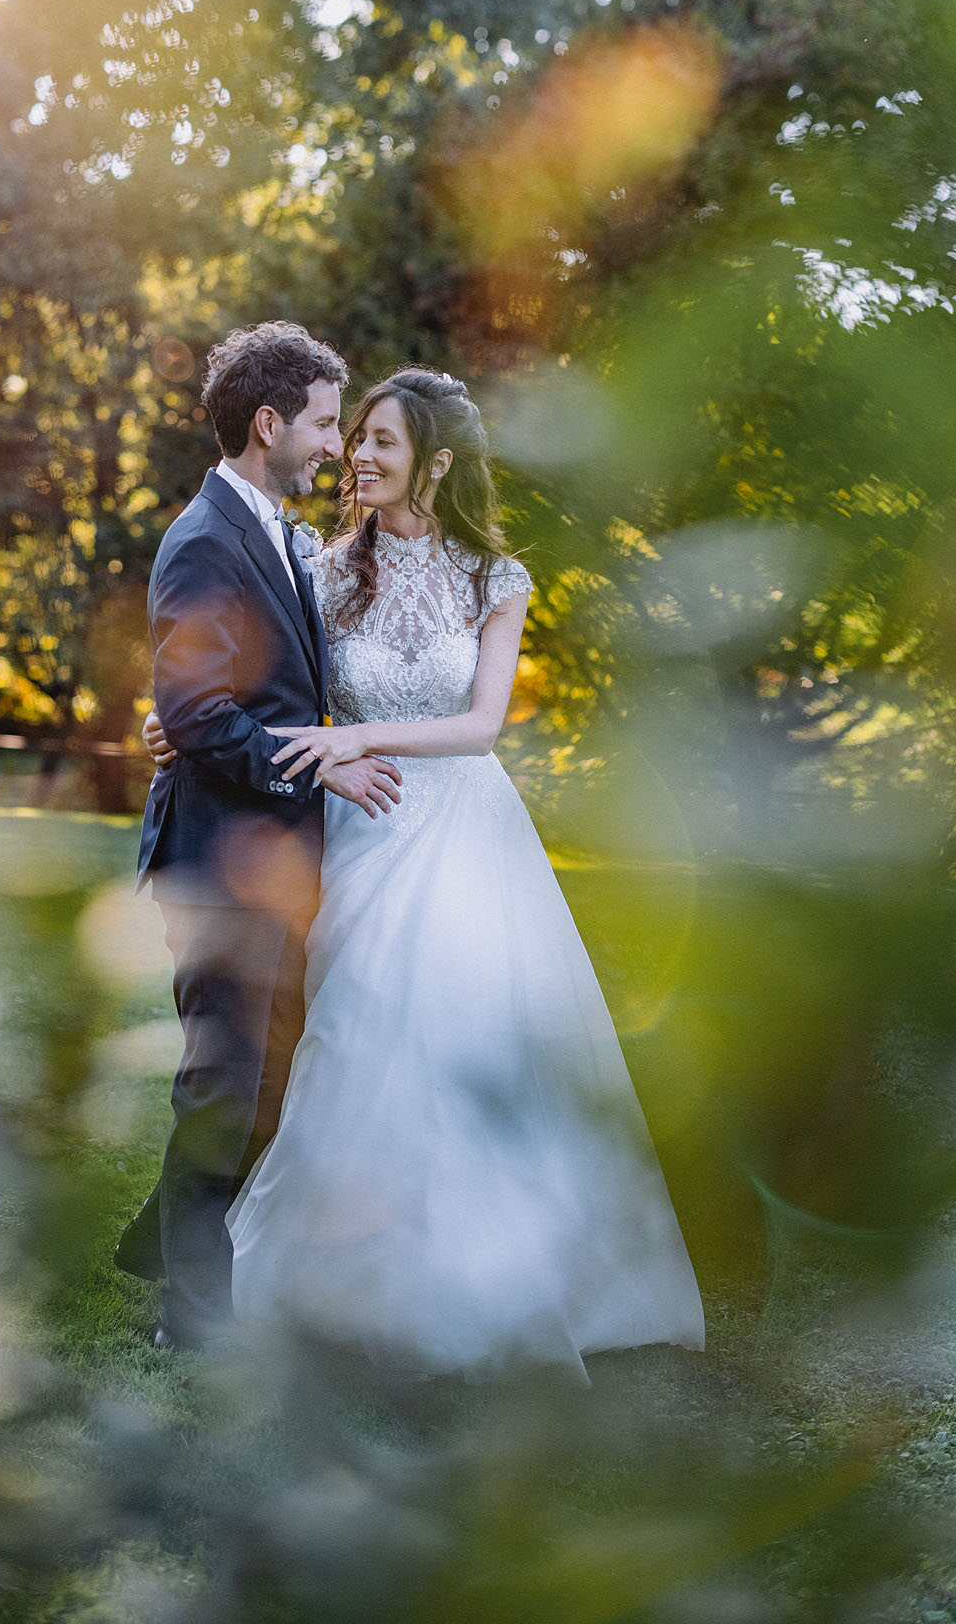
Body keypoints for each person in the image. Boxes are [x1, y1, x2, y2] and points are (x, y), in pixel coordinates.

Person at [151, 365, 704, 1377]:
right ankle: (332, 1275)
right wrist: (177, 723)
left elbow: (482, 724)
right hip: (351, 828)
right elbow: (252, 681)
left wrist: (352, 738)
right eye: (352, 434)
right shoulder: (320, 567)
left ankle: (482, 1278)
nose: (356, 455)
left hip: (461, 829)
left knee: (465, 1030)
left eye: (381, 441)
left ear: (436, 464)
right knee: (345, 1035)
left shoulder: (497, 578)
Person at [115, 323, 403, 1351]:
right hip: (216, 863)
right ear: (269, 424)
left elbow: (240, 695)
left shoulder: (278, 533)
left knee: (267, 1088)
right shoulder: (202, 539)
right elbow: (197, 711)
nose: (334, 443)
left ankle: (164, 1245)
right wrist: (319, 762)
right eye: (325, 422)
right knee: (225, 1085)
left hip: (274, 861)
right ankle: (190, 1321)